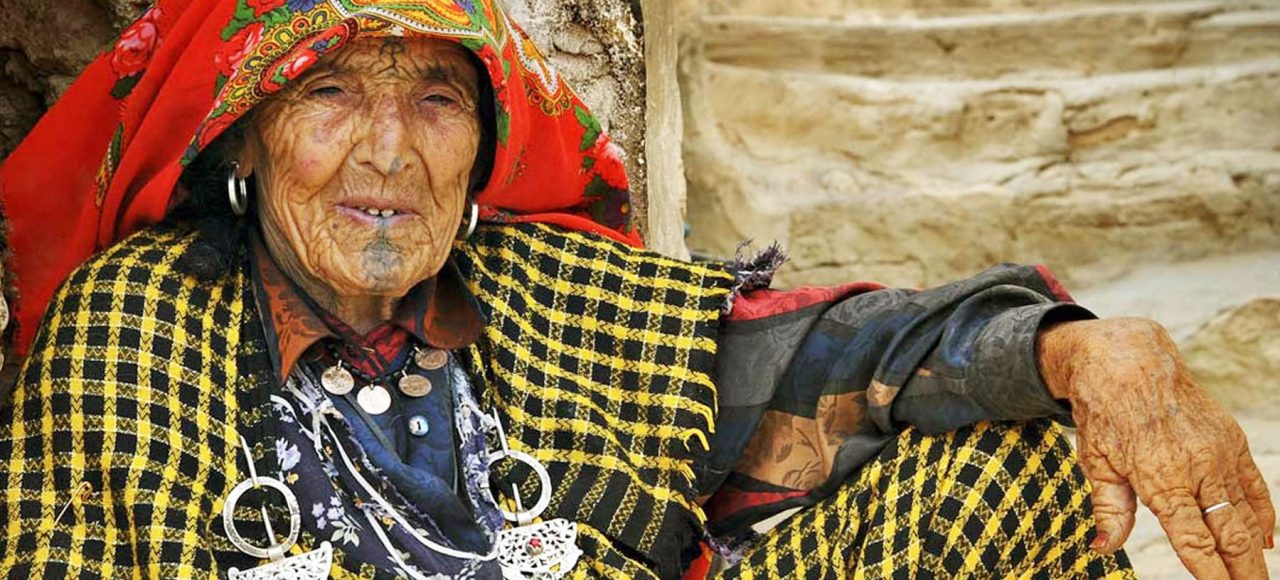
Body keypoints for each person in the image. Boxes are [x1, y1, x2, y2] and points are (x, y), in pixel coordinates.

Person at [0, 1, 1270, 578]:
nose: (388, 151)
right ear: (244, 136)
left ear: (482, 147)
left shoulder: (538, 287)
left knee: (1026, 468)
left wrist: (1082, 352)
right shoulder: (136, 322)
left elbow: (827, 359)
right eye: (331, 93)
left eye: (435, 97)